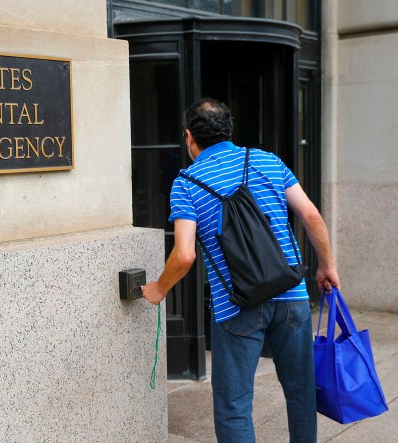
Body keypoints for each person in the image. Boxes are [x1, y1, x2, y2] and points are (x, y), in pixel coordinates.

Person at [141, 98, 340, 443]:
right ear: (230, 131)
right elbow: (311, 216)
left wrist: (158, 289)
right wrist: (327, 266)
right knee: (301, 392)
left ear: (189, 137)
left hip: (237, 306)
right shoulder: (268, 161)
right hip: (291, 295)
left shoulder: (186, 183)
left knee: (234, 406)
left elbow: (184, 254)